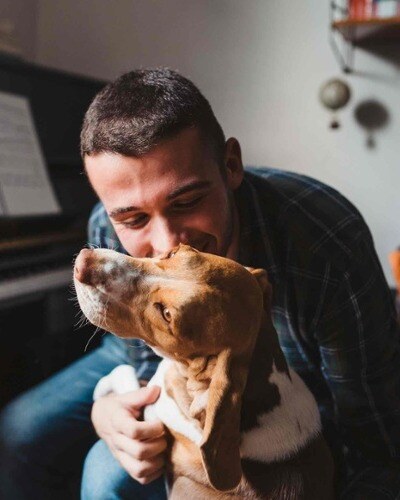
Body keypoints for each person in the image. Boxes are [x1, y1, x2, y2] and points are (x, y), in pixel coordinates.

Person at [1, 68, 400, 500]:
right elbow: (148, 361)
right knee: (20, 429)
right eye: (133, 218)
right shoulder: (107, 229)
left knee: (103, 476)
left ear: (230, 165)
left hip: (281, 386)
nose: (168, 242)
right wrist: (108, 410)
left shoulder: (325, 240)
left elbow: (374, 441)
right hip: (160, 345)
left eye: (187, 201)